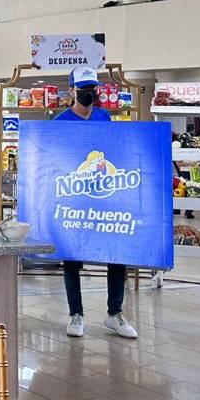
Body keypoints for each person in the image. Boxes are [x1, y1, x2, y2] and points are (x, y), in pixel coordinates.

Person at [57, 67, 138, 340]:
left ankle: (114, 313)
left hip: (107, 195)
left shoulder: (105, 116)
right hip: (75, 197)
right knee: (72, 255)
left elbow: (114, 149)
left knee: (116, 252)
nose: (90, 93)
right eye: (84, 88)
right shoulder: (60, 122)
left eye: (92, 88)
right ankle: (75, 314)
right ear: (72, 91)